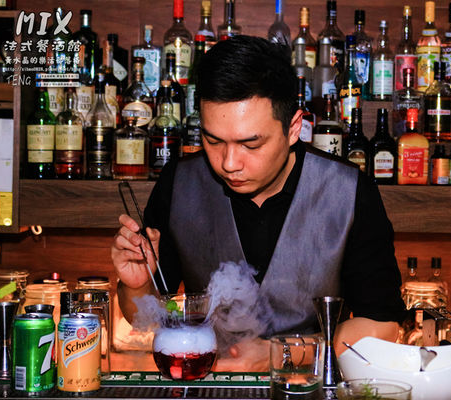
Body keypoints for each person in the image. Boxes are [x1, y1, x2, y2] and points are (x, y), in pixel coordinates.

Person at [111, 35, 406, 372]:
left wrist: (280, 354)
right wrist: (137, 284)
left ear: (293, 128)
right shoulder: (179, 183)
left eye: (251, 144)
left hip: (311, 386)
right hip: (210, 385)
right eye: (213, 140)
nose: (229, 163)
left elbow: (381, 326)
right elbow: (143, 318)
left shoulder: (348, 191)